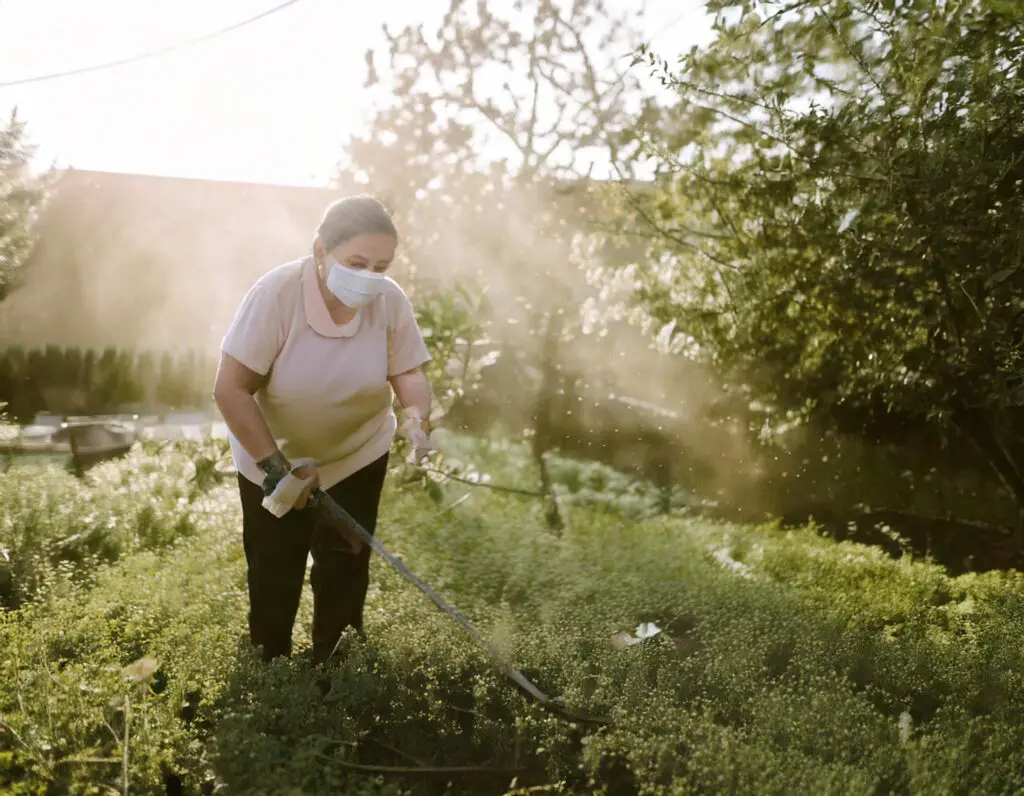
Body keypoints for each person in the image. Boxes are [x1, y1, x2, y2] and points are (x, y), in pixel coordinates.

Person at [213, 195, 433, 666]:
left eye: (381, 265)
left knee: (345, 568)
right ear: (320, 251)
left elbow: (408, 373)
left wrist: (418, 419)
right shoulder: (276, 295)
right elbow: (230, 390)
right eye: (356, 262)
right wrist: (277, 471)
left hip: (357, 454)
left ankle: (336, 673)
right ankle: (269, 672)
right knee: (276, 573)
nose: (369, 276)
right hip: (274, 457)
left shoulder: (388, 300)